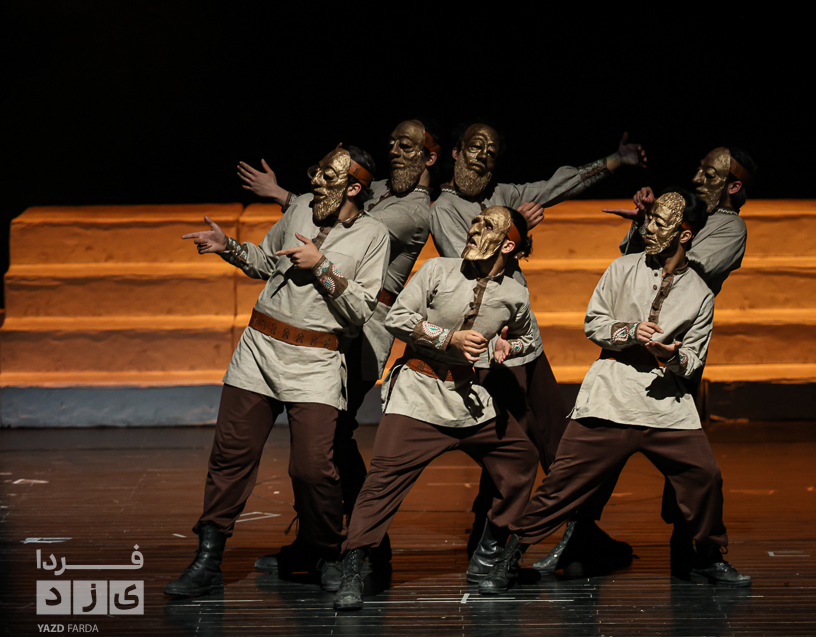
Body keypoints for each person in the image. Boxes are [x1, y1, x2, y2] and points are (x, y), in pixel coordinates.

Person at [478, 188, 750, 595]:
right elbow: (594, 323)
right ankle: (508, 557)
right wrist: (630, 332)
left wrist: (673, 357)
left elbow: (694, 359)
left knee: (705, 476)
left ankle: (709, 556)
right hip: (611, 395)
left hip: (665, 403)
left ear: (685, 234)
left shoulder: (699, 294)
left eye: (660, 222)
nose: (649, 227)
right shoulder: (622, 268)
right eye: (650, 218)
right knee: (561, 485)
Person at [164, 146, 390, 597]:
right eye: (318, 172)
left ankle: (326, 551)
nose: (316, 183)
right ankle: (208, 559)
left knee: (313, 469)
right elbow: (266, 261)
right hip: (260, 350)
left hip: (315, 361)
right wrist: (229, 247)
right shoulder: (301, 208)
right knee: (230, 457)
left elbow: (361, 309)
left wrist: (321, 267)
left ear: (354, 187)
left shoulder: (373, 235)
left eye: (328, 176)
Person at [429, 122, 647, 575]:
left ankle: (577, 533)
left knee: (550, 438)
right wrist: (519, 226)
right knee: (512, 441)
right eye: (474, 147)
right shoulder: (445, 208)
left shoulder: (503, 193)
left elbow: (558, 184)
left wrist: (615, 161)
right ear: (455, 152)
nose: (482, 156)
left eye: (491, 151)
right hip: (489, 345)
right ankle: (499, 537)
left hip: (523, 343)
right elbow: (472, 261)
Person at [534, 146, 758, 578]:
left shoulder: (730, 229)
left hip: (672, 352)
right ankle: (579, 536)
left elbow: (685, 270)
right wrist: (649, 222)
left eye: (710, 175)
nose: (698, 178)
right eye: (699, 169)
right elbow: (642, 264)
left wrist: (656, 228)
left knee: (686, 463)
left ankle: (692, 547)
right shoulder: (677, 222)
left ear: (733, 186)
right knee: (602, 451)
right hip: (628, 349)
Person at [238, 120, 441, 574]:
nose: (395, 151)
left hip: (363, 327)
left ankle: (362, 543)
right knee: (324, 443)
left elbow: (343, 223)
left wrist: (284, 196)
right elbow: (327, 203)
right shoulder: (382, 188)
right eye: (392, 144)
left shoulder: (414, 210)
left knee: (329, 440)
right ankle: (326, 542)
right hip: (330, 314)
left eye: (407, 146)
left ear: (429, 157)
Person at [332, 206, 543, 611]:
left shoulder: (515, 293)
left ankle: (489, 550)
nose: (474, 230)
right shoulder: (438, 270)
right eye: (475, 222)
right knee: (382, 482)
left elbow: (529, 339)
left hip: (468, 398)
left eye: (486, 226)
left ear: (508, 245)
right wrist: (448, 338)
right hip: (419, 391)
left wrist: (508, 347)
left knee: (520, 458)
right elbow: (398, 317)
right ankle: (353, 568)